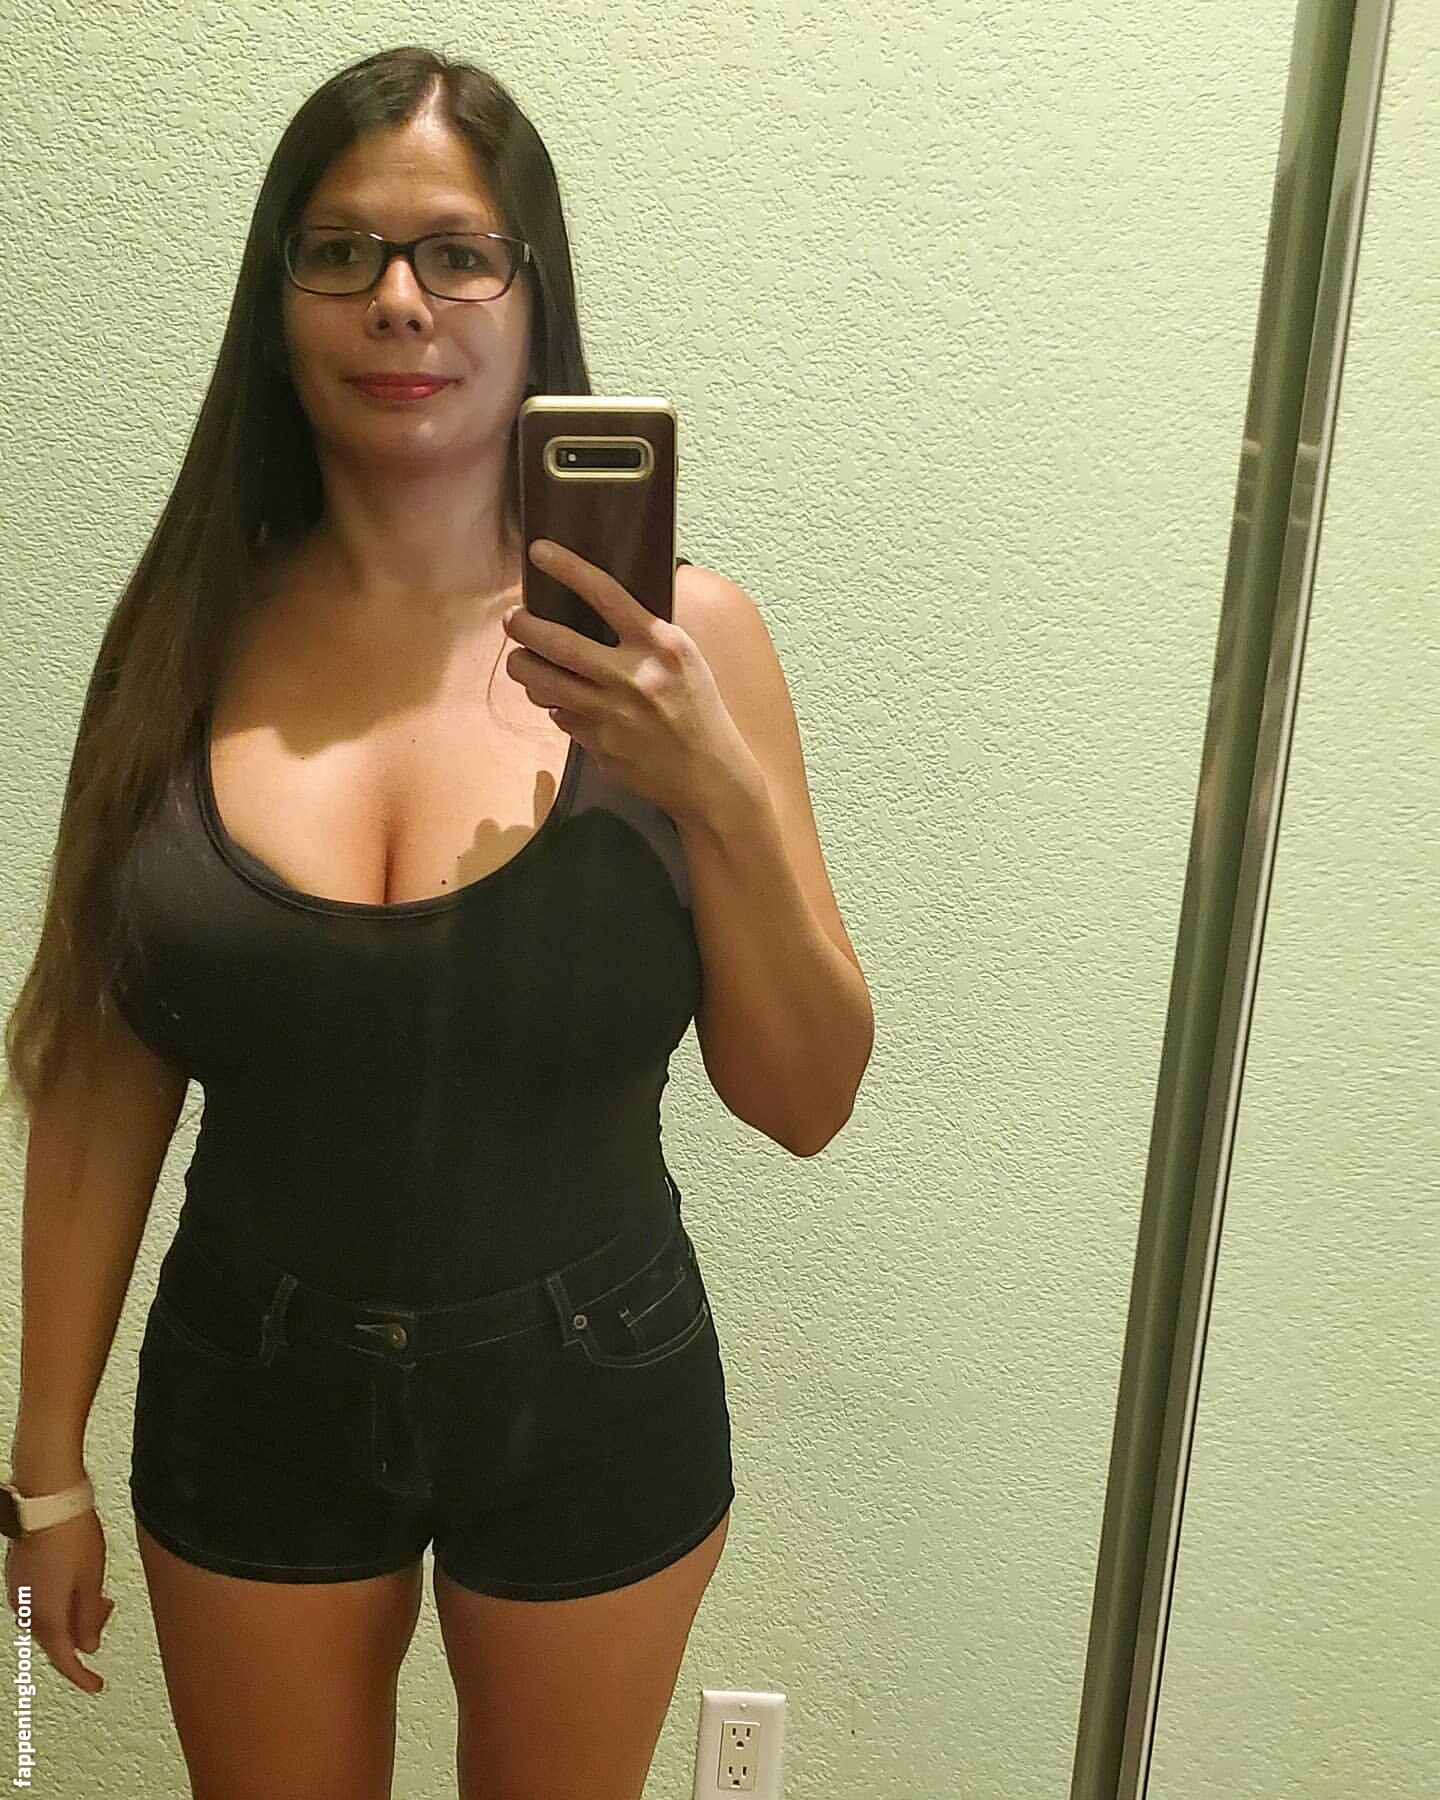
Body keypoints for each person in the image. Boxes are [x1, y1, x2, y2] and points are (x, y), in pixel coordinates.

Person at [2, 44, 872, 1800]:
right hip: (252, 1374)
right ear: (278, 304)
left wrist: (716, 790)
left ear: (533, 299)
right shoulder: (183, 633)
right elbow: (102, 1074)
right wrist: (44, 1463)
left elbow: (804, 1099)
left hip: (596, 1376)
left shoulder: (687, 642)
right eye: (341, 252)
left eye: (458, 253)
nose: (398, 300)